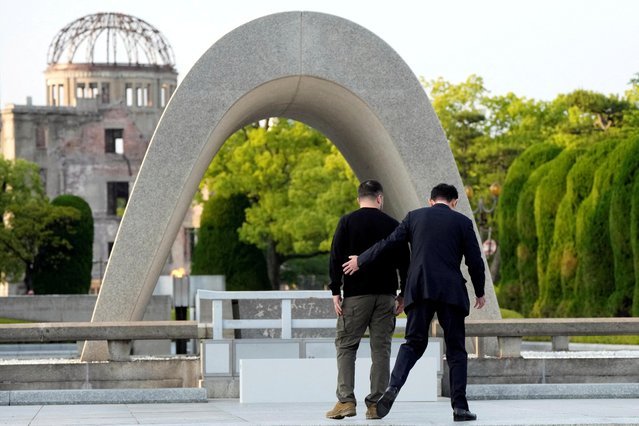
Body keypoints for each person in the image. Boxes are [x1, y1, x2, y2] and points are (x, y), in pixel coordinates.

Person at [342, 183, 486, 422]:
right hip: (450, 291)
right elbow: (475, 261)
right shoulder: (462, 222)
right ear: (455, 202)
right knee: (456, 349)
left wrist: (361, 260)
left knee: (413, 343)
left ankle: (392, 388)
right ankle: (460, 407)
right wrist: (480, 291)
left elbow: (387, 243)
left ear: (431, 201)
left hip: (420, 288)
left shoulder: (414, 217)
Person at [325, 180, 409, 420]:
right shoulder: (393, 224)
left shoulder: (348, 222)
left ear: (359, 198)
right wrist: (402, 293)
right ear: (380, 199)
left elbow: (335, 257)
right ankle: (375, 405)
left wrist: (335, 290)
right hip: (385, 296)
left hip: (356, 295)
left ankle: (345, 401)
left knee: (346, 345)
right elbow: (406, 261)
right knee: (380, 349)